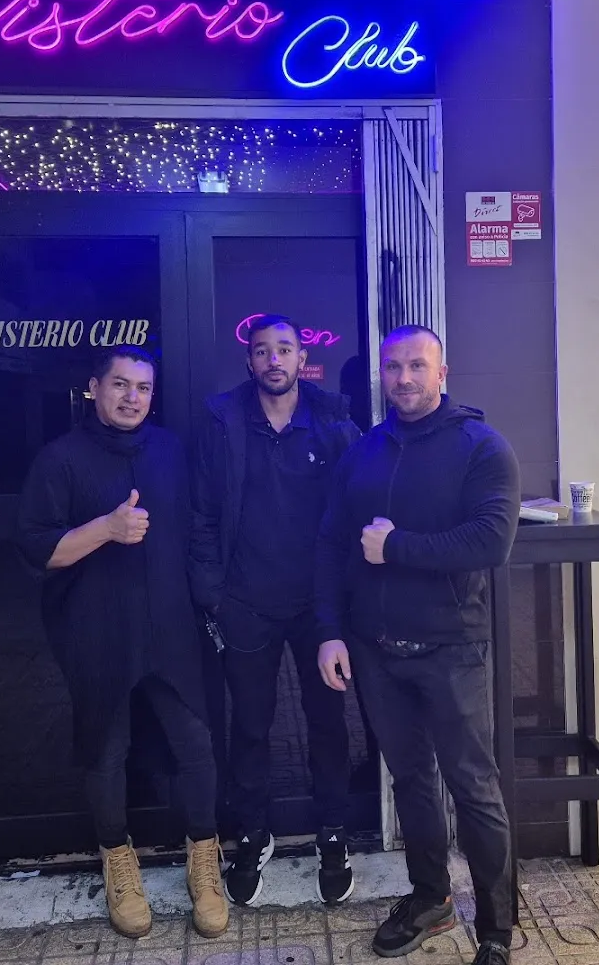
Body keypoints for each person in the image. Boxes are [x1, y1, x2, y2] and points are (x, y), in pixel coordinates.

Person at [314, 325, 521, 965]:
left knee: (473, 787)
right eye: (391, 366)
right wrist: (329, 631)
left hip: (452, 648)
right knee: (410, 780)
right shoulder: (362, 452)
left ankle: (496, 927)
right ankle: (431, 899)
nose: (402, 378)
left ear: (442, 372)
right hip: (374, 650)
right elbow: (331, 546)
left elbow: (491, 541)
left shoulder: (483, 447)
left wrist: (396, 546)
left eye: (415, 366)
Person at [16, 347, 228, 941]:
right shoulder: (60, 459)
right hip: (97, 628)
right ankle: (117, 858)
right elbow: (39, 551)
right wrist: (105, 529)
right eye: (120, 384)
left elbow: (199, 526)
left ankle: (204, 856)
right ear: (94, 387)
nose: (132, 397)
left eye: (143, 387)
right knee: (106, 749)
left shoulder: (171, 450)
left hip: (171, 625)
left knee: (195, 742)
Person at [190, 314, 362, 906]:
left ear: (301, 359)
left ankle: (332, 831)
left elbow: (357, 504)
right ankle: (253, 833)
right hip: (246, 603)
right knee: (251, 727)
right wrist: (213, 595)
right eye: (262, 351)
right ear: (250, 361)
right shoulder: (224, 422)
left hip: (319, 607)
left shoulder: (332, 422)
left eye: (284, 349)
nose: (273, 360)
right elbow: (202, 514)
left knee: (328, 723)